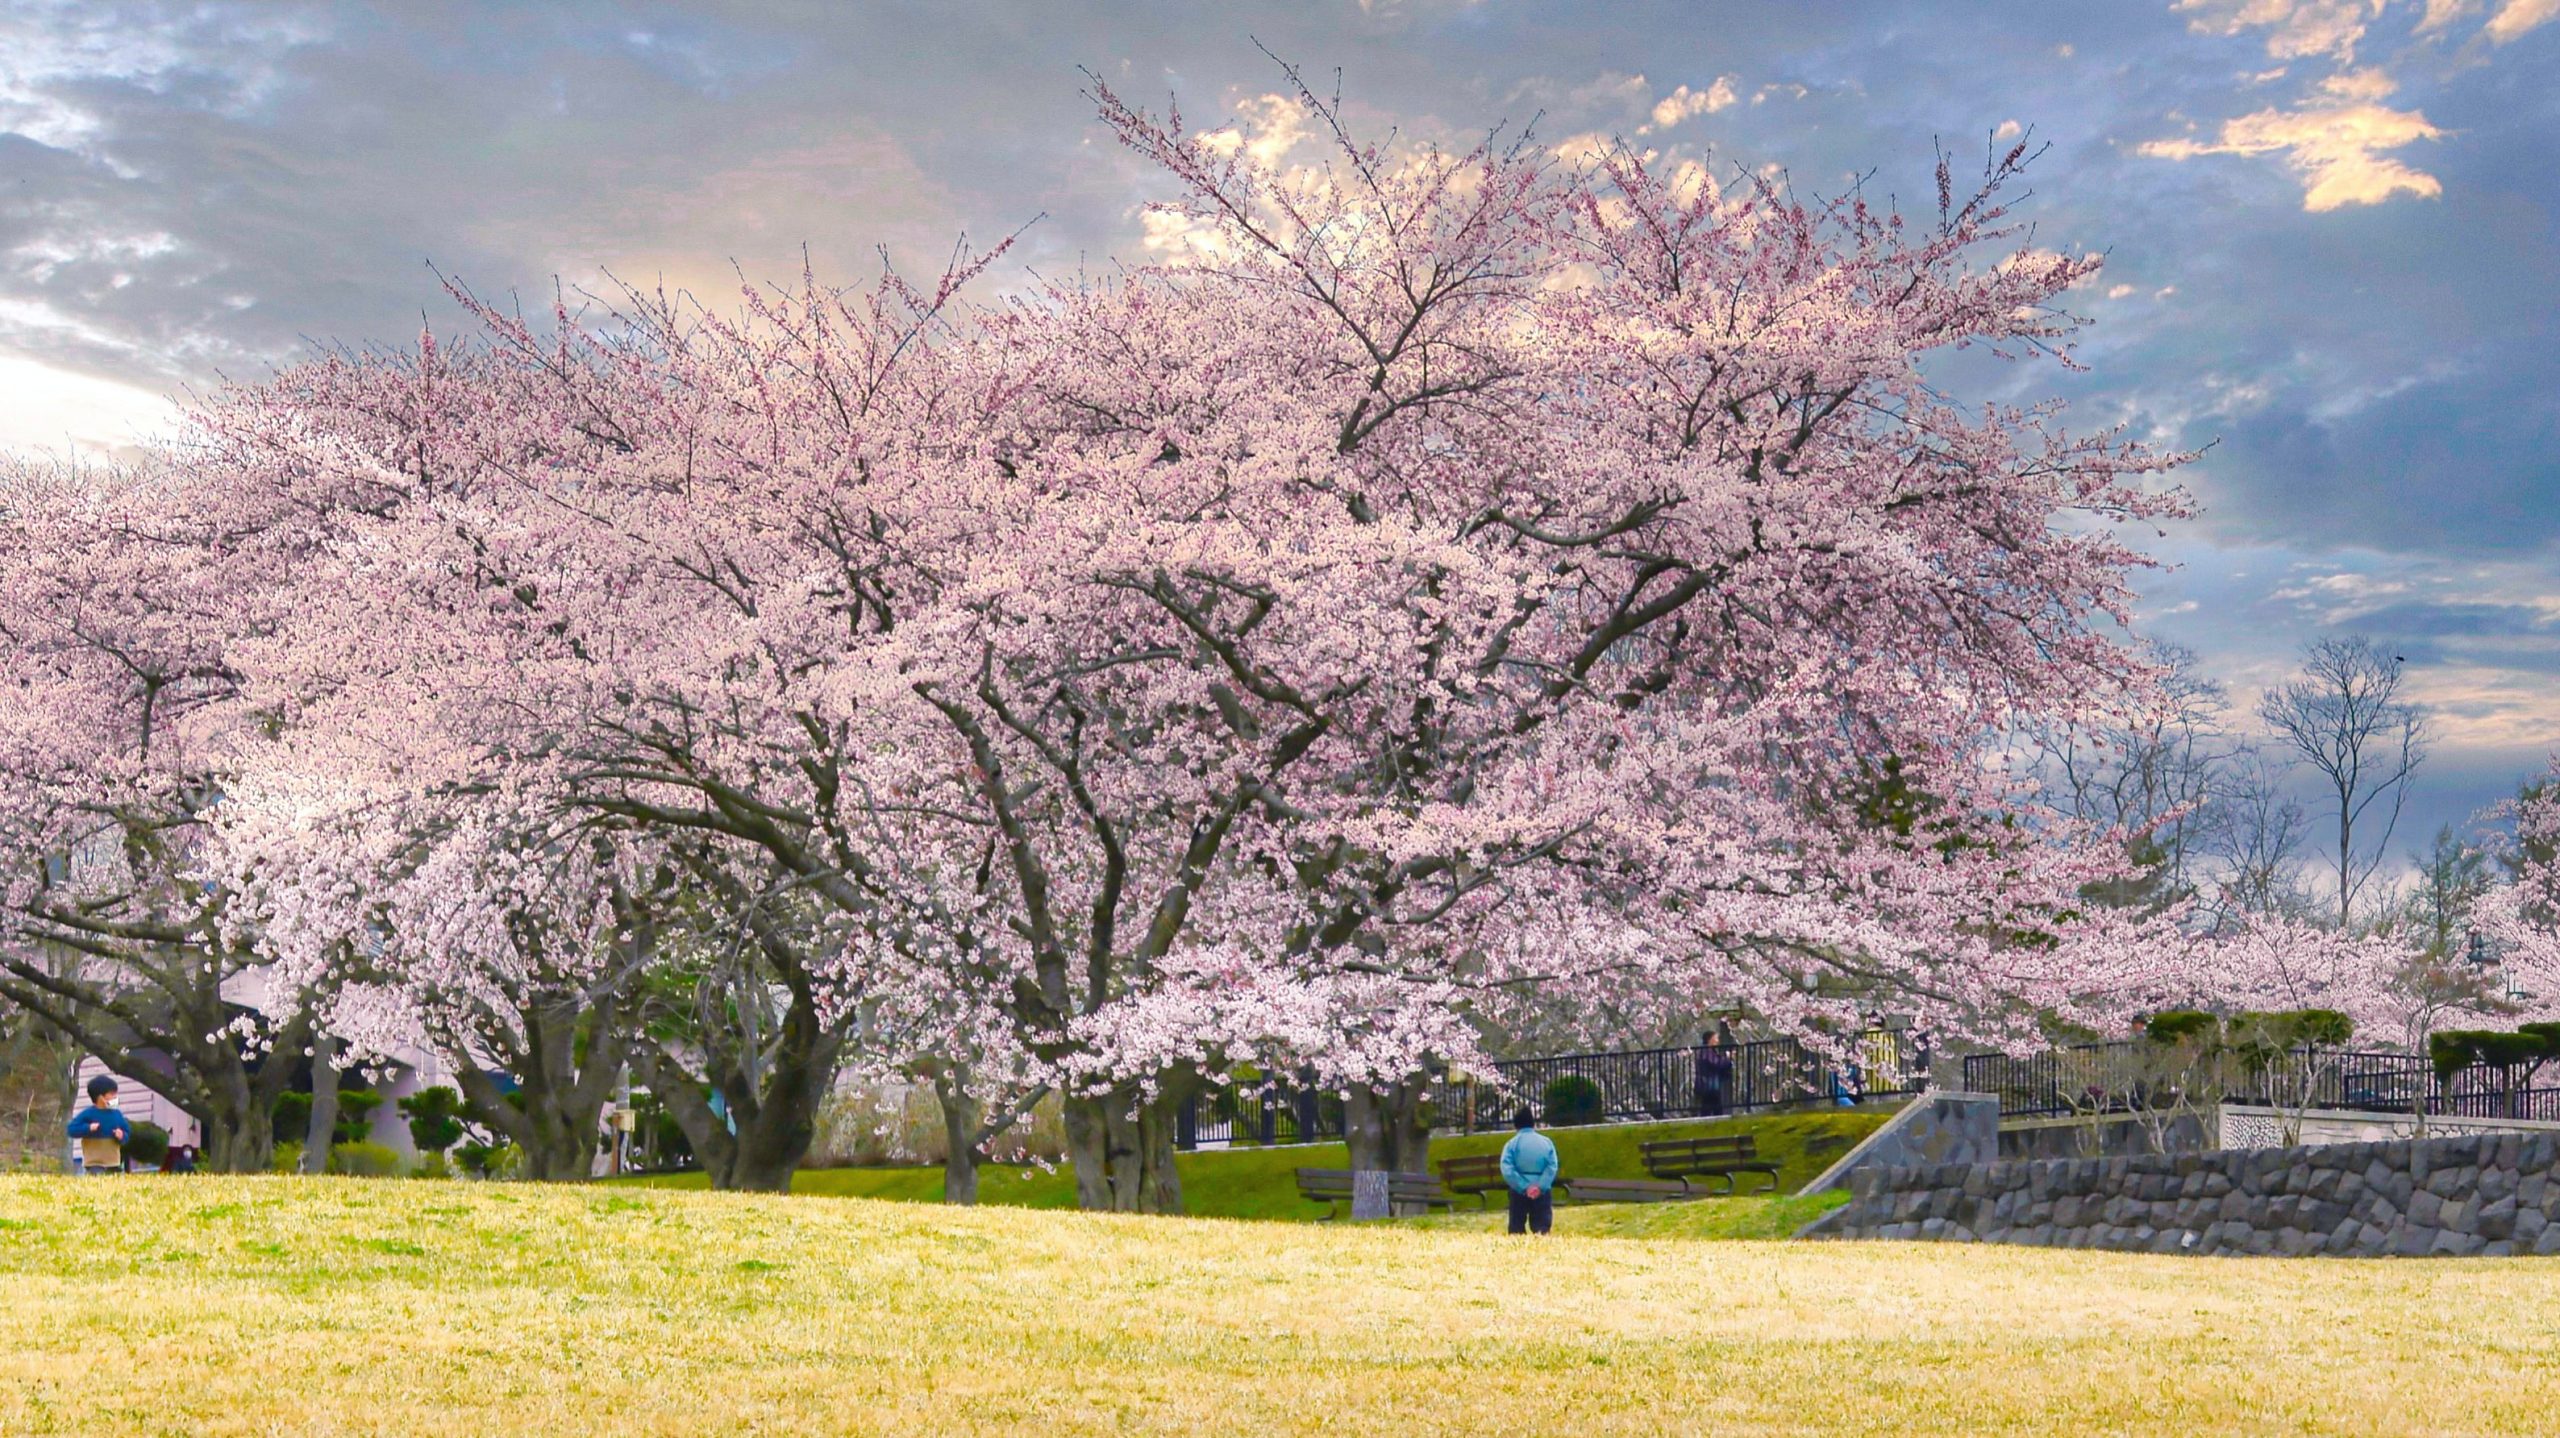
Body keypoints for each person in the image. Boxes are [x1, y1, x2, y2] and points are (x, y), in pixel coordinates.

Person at [1499, 1106, 1559, 1236]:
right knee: (1542, 1225)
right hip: (1541, 1190)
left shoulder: (1511, 1144)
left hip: (1518, 1190)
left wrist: (1524, 1186)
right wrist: (1540, 1186)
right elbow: (1552, 1166)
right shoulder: (1546, 1142)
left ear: (1516, 1125)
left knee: (1517, 1224)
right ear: (1533, 1123)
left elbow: (1507, 1168)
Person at [66, 1074, 132, 1175]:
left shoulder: (117, 1114)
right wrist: (88, 1128)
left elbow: (127, 1132)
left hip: (113, 1163)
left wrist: (122, 1135)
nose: (115, 1097)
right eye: (112, 1094)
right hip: (94, 1163)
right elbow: (71, 1129)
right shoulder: (88, 1114)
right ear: (101, 1097)